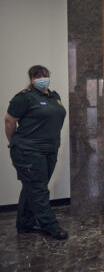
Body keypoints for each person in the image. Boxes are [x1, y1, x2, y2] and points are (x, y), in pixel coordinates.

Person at [4, 65, 68, 240]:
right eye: (38, 76)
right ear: (31, 79)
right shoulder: (24, 97)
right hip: (29, 150)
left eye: (45, 75)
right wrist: (14, 143)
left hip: (50, 149)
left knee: (32, 187)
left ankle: (24, 223)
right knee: (39, 190)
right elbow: (9, 120)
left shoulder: (54, 96)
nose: (42, 78)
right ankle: (50, 226)